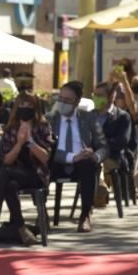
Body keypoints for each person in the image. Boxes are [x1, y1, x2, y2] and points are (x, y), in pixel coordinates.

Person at [0, 93, 53, 245]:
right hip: (15, 174)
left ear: (35, 109)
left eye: (29, 106)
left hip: (37, 175)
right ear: (16, 108)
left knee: (5, 173)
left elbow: (45, 158)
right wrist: (19, 144)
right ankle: (22, 229)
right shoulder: (11, 128)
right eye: (22, 106)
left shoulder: (43, 126)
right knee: (9, 183)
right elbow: (7, 159)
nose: (25, 109)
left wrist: (30, 141)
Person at [47, 81, 107, 233]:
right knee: (42, 162)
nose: (62, 103)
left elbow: (104, 146)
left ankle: (85, 215)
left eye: (68, 100)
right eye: (60, 99)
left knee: (89, 165)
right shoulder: (49, 120)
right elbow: (46, 148)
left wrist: (95, 156)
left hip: (82, 163)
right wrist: (72, 157)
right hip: (56, 162)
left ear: (77, 102)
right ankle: (42, 215)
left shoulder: (88, 118)